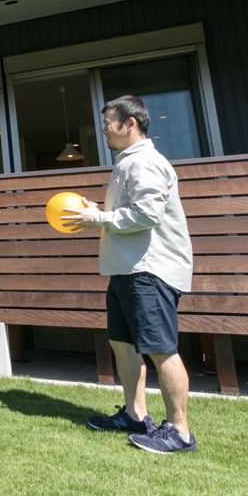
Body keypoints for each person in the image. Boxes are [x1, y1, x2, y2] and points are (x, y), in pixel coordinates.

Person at [63, 95, 197, 454]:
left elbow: (147, 214)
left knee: (160, 349)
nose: (104, 129)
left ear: (130, 124)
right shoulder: (127, 163)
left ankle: (179, 432)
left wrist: (101, 218)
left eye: (109, 121)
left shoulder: (145, 163)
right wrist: (99, 210)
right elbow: (131, 208)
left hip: (148, 271)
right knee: (123, 345)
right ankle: (135, 415)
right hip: (125, 270)